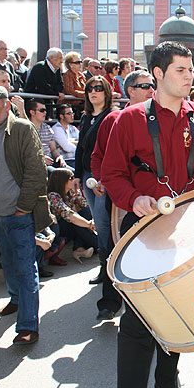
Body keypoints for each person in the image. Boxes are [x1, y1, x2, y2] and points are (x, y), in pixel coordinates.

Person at [101, 41, 194, 388]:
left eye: (191, 69)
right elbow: (111, 174)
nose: (190, 76)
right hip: (145, 232)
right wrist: (134, 198)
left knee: (176, 308)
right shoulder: (128, 119)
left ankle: (166, 382)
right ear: (158, 74)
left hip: (192, 230)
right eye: (181, 69)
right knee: (137, 322)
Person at [0, 85, 52, 345]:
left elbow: (36, 172)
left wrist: (23, 207)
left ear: (7, 104)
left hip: (19, 214)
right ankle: (16, 300)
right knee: (7, 262)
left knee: (26, 268)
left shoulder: (22, 129)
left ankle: (28, 325)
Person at [88, 69, 153, 288]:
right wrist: (102, 181)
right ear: (131, 91)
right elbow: (97, 156)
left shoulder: (158, 118)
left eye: (152, 85)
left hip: (150, 195)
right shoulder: (114, 118)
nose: (151, 90)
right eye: (145, 86)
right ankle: (110, 299)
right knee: (114, 243)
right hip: (120, 195)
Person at [74, 76, 116, 307]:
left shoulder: (111, 116)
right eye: (90, 88)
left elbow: (110, 151)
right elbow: (81, 148)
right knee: (99, 224)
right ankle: (104, 268)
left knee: (102, 222)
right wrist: (77, 175)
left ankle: (108, 269)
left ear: (106, 91)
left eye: (98, 88)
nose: (93, 92)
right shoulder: (85, 117)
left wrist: (104, 178)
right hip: (88, 176)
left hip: (103, 178)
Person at [47, 168, 97, 262]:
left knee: (85, 212)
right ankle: (97, 245)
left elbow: (85, 205)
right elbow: (70, 216)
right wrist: (89, 225)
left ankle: (79, 248)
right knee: (74, 221)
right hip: (60, 228)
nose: (73, 180)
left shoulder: (71, 192)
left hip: (73, 224)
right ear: (62, 180)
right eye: (71, 178)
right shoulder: (53, 196)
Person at [52, 105, 79, 169]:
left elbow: (83, 143)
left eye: (72, 113)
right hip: (65, 161)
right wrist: (76, 143)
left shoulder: (73, 128)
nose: (72, 115)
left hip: (77, 159)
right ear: (61, 116)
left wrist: (69, 142)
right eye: (69, 114)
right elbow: (67, 148)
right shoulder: (56, 128)